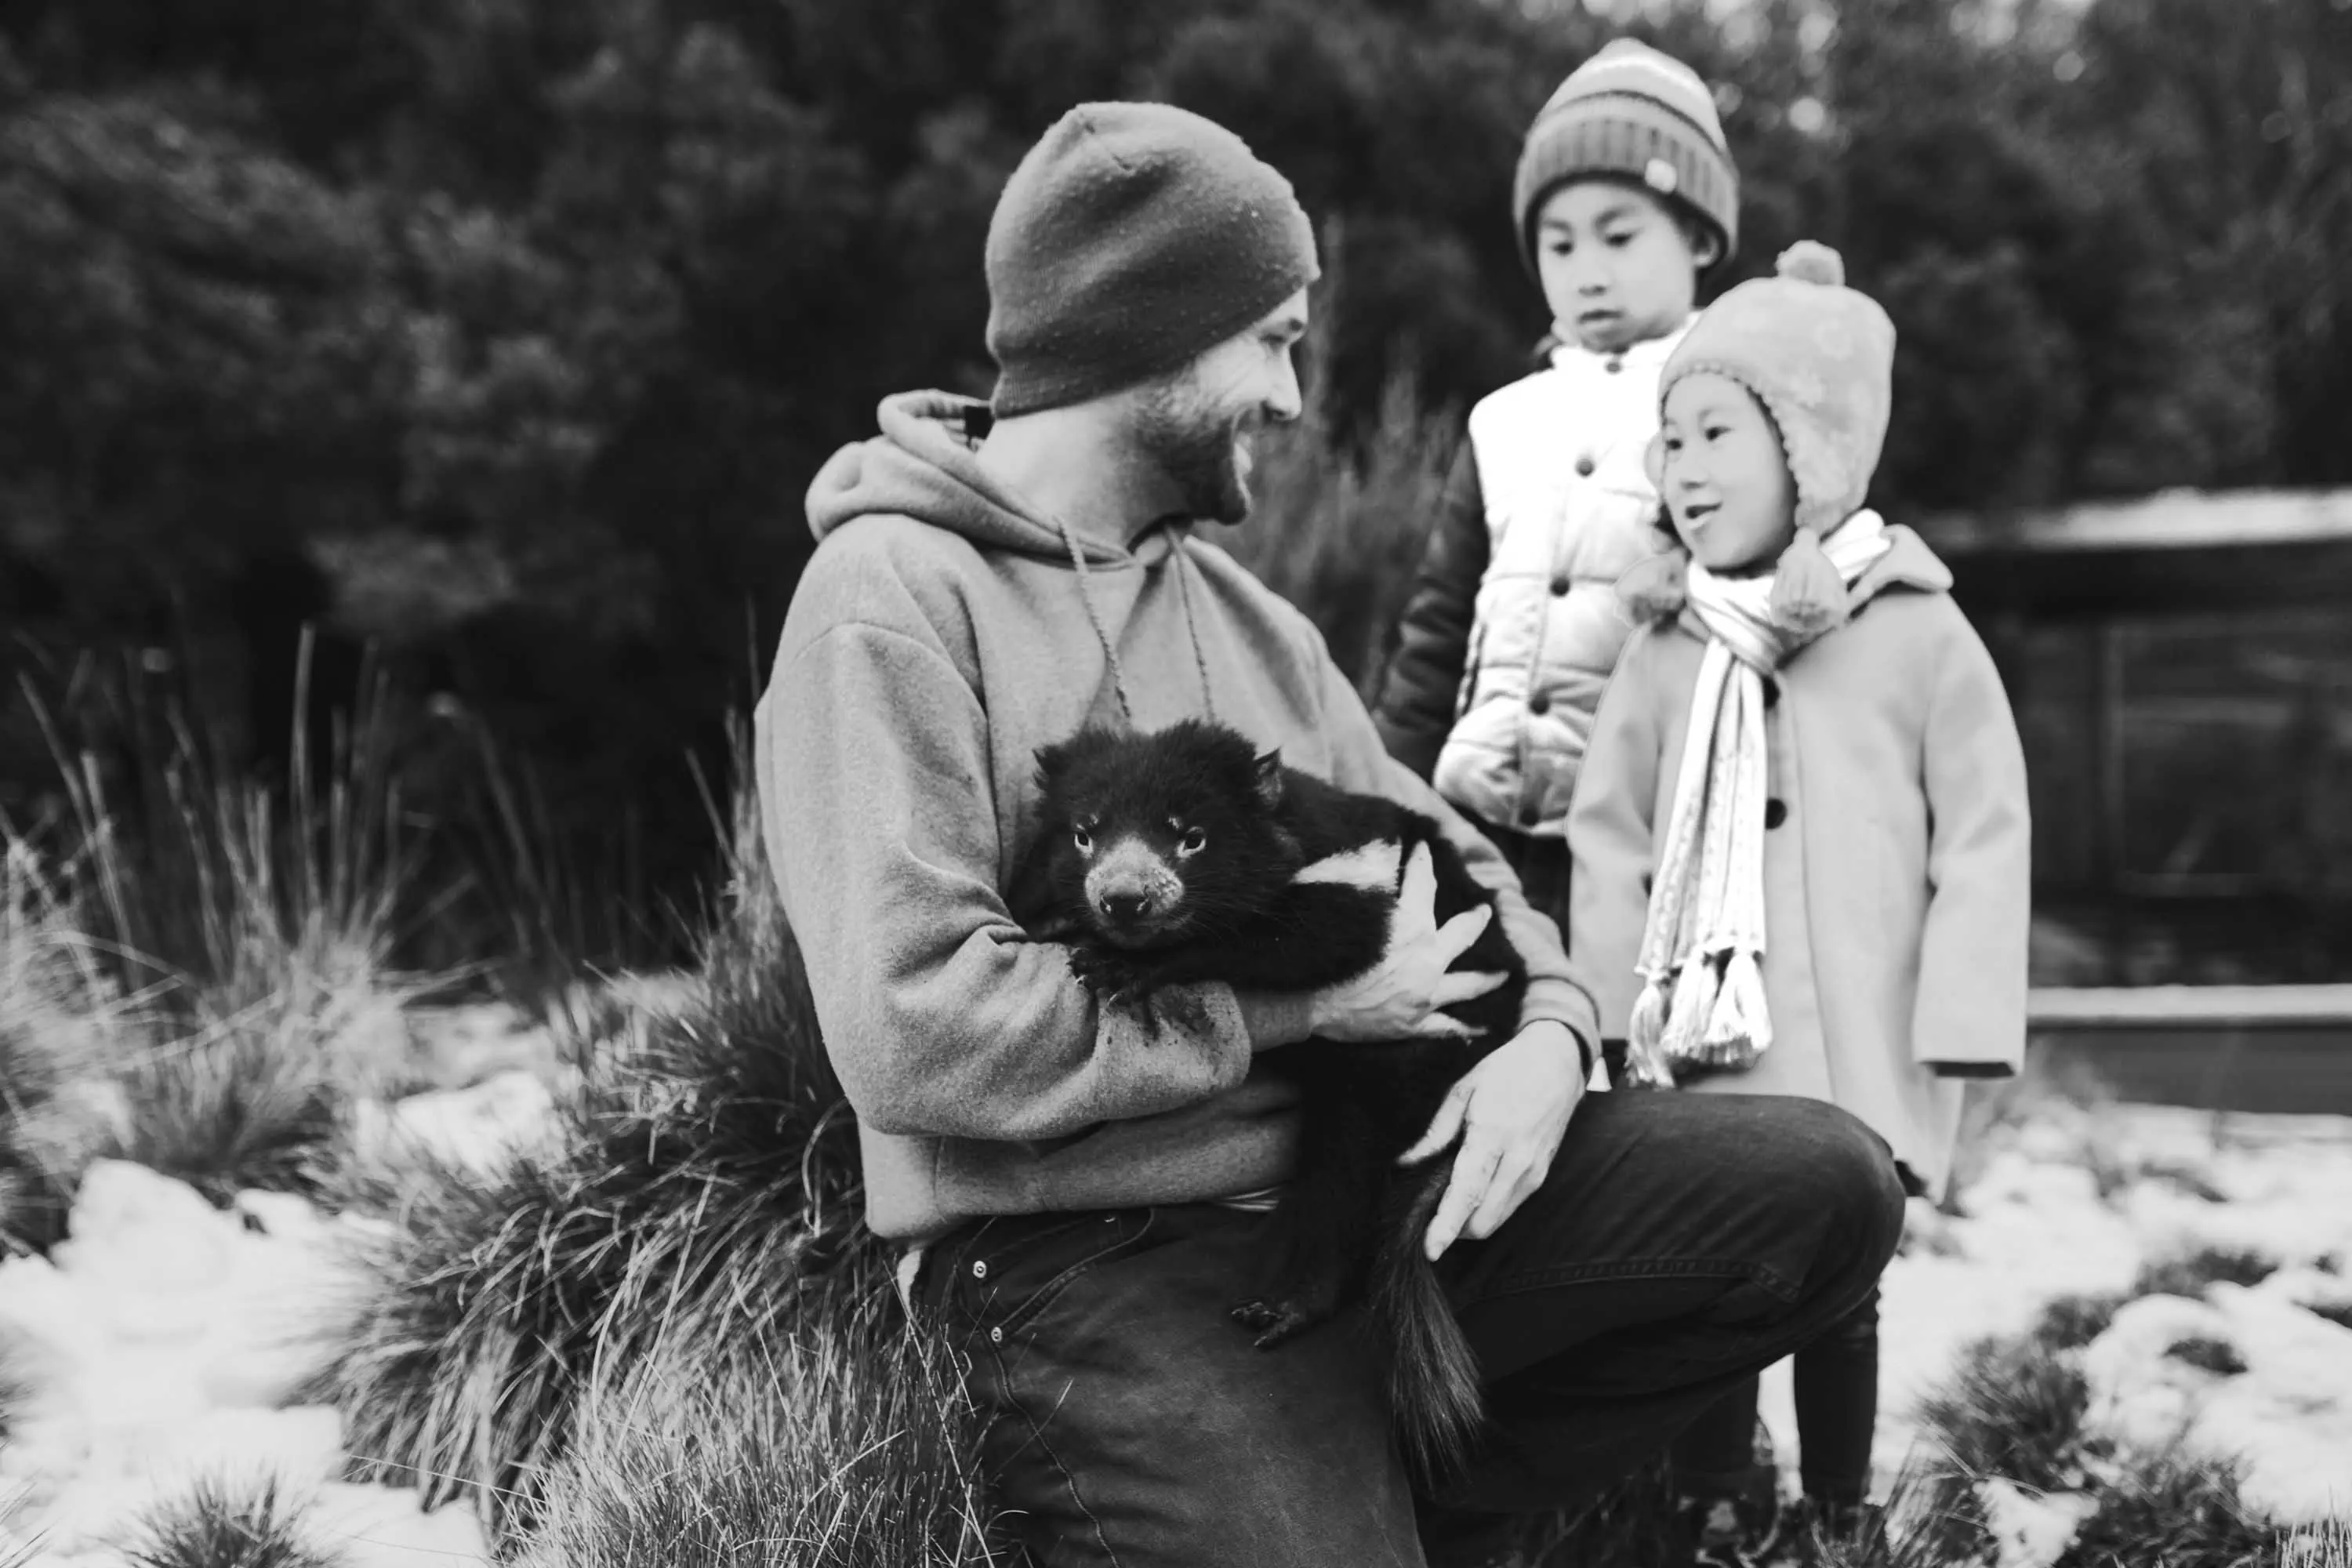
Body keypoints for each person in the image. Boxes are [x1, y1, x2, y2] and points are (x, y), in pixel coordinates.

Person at [755, 101, 1905, 1568]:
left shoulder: (1254, 625)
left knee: (1825, 1193)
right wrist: (1298, 1014)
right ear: (1156, 332)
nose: (1295, 397)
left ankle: (1392, 1477)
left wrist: (1552, 1041)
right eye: (1275, 341)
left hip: (1360, 1189)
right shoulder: (888, 600)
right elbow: (915, 1026)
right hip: (1082, 1252)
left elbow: (1451, 856)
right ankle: (1312, 1480)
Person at [1564, 242, 2031, 1565]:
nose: (1685, 466)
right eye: (1672, 439)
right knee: (1710, 1280)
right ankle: (1711, 1496)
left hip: (1856, 1046)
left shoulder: (1917, 630)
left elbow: (1986, 828)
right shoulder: (1665, 644)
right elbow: (1610, 837)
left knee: (1841, 1285)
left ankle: (1835, 1506)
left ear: (1810, 456)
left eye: (1719, 432)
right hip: (1699, 1051)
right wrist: (1603, 1010)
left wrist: (1963, 1017)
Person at [1372, 39, 1738, 932]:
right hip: (1480, 821)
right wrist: (1387, 801)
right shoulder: (1503, 420)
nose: (1587, 269)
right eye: (1559, 241)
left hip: (1643, 827)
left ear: (1698, 235)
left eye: (1619, 235)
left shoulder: (1725, 406)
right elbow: (1438, 627)